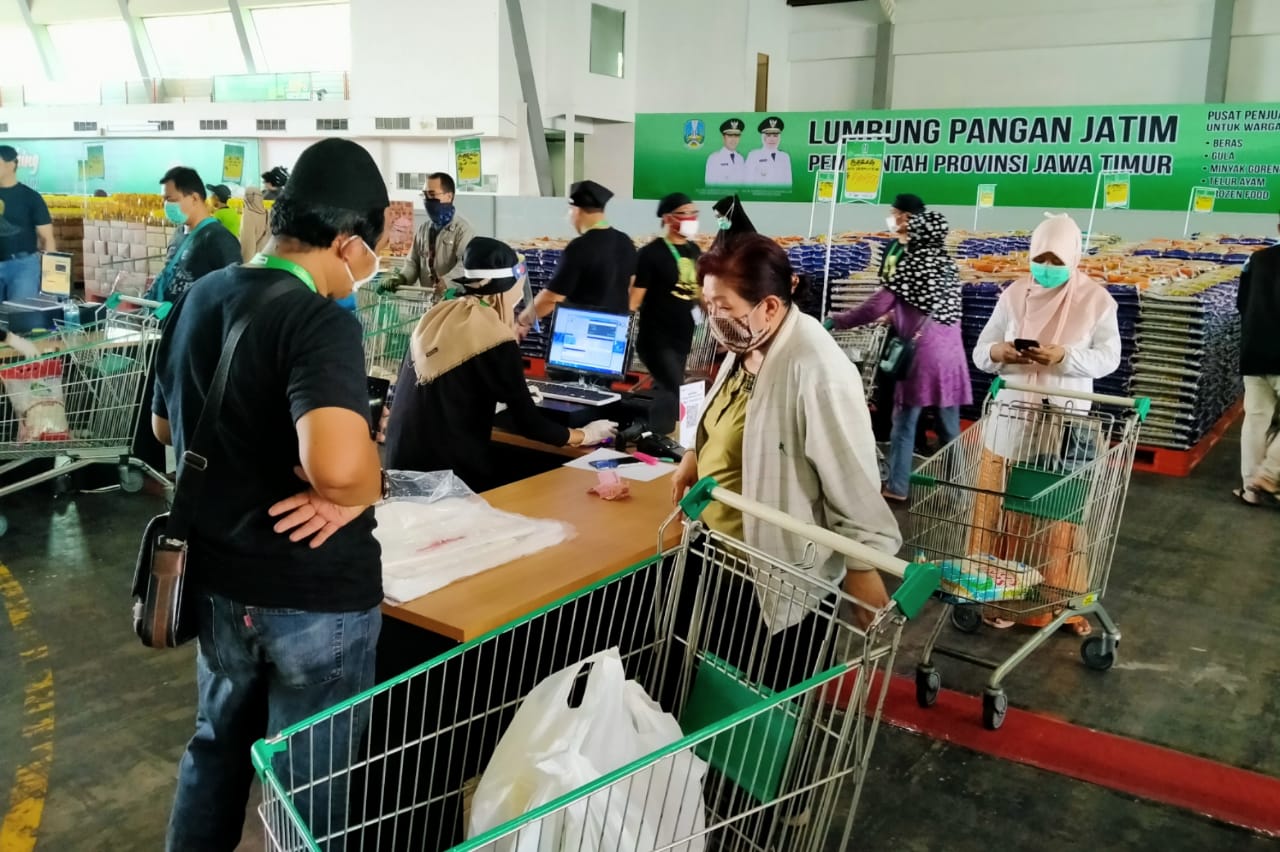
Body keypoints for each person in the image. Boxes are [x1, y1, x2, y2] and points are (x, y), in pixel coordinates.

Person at [152, 138, 390, 850]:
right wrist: (360, 486)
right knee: (305, 785)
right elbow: (334, 469)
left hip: (218, 580)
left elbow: (167, 422)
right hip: (311, 593)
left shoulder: (203, 294)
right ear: (349, 244)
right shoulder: (318, 320)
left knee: (216, 750)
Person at [670, 233, 901, 644]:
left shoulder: (817, 369)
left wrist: (863, 565)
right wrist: (695, 452)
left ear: (770, 306)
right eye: (708, 305)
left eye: (722, 308)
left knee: (764, 691)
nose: (712, 319)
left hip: (777, 574)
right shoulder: (748, 343)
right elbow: (723, 416)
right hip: (721, 553)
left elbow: (853, 474)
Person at [972, 212, 1121, 635]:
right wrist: (1001, 352)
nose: (1048, 267)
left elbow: (1109, 358)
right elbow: (981, 352)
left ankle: (1057, 600)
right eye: (1041, 257)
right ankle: (999, 594)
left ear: (1075, 257)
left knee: (1056, 516)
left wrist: (1065, 359)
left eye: (1057, 259)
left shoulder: (1097, 302)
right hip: (1011, 421)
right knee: (1003, 511)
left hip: (1064, 427)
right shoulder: (1014, 294)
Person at [384, 237, 617, 492]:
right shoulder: (494, 338)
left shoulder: (437, 316)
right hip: (446, 482)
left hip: (399, 469)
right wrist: (584, 435)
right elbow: (529, 423)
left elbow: (451, 384)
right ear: (508, 290)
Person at [830, 209, 972, 502]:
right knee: (949, 429)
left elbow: (874, 307)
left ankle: (897, 486)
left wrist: (838, 319)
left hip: (921, 357)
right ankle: (959, 493)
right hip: (952, 358)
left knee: (905, 424)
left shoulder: (909, 266)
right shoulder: (949, 267)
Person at [516, 180, 636, 335]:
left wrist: (523, 321)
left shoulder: (579, 247)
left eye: (570, 210)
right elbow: (631, 285)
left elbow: (551, 298)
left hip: (582, 334)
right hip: (616, 334)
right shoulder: (625, 242)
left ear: (577, 210)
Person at [630, 193, 702, 436]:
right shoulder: (651, 254)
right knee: (675, 388)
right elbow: (634, 299)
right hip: (655, 339)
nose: (692, 218)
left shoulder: (694, 250)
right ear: (669, 219)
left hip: (683, 336)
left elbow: (699, 293)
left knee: (669, 389)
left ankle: (661, 436)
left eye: (694, 213)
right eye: (685, 213)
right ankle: (658, 437)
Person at [148, 166, 241, 302]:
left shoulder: (220, 239)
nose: (166, 205)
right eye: (164, 199)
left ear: (194, 198)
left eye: (170, 199)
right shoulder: (179, 233)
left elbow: (233, 294)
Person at [1237, 217, 1280, 506]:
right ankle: (1269, 473)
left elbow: (1241, 302)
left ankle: (1251, 487)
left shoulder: (1257, 259)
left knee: (1255, 419)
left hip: (1254, 349)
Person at [388, 172, 475, 301]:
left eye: (432, 195)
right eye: (425, 195)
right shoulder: (424, 230)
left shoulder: (462, 230)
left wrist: (446, 282)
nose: (427, 200)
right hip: (426, 301)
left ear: (449, 197)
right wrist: (402, 277)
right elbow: (413, 262)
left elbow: (465, 265)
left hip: (452, 301)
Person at [0, 144, 55, 302]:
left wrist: (50, 274)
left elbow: (47, 238)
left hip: (22, 267)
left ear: (11, 165)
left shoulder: (30, 197)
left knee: (21, 316)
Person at [744, 116, 792, 187]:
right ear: (763, 137)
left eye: (775, 135)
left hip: (780, 196)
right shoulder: (753, 155)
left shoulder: (785, 157)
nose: (772, 139)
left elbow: (788, 183)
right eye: (768, 135)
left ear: (779, 138)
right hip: (759, 196)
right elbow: (747, 182)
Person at [705, 118, 748, 186]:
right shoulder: (714, 158)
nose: (733, 140)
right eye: (730, 135)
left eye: (736, 136)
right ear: (723, 137)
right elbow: (710, 186)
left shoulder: (740, 158)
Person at [238, 186, 270, 262]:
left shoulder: (248, 215)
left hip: (254, 259)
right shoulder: (268, 213)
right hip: (266, 257)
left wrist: (246, 264)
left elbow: (247, 243)